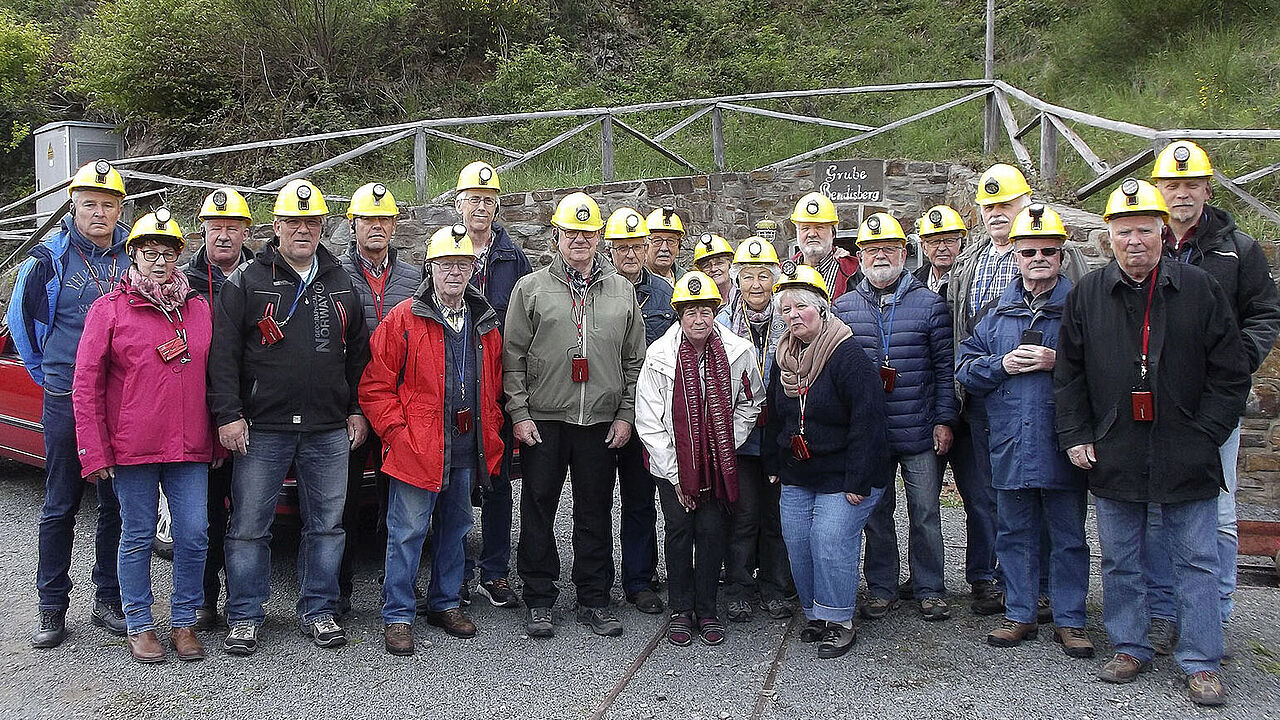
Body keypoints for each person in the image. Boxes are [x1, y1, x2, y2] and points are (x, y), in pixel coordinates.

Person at [1055, 178, 1249, 706]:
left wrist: (1207, 431)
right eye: (1123, 231)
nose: (1134, 240)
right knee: (1121, 558)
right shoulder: (1088, 295)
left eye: (1144, 229)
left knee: (1196, 558)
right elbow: (1068, 375)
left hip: (1185, 444)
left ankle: (1201, 659)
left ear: (1164, 232)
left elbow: (1231, 373)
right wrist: (1076, 435)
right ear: (1107, 238)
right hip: (1115, 443)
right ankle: (1129, 645)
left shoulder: (1200, 289)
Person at [209, 179, 371, 655]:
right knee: (249, 526)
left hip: (327, 428)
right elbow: (222, 356)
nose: (304, 229)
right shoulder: (247, 281)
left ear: (323, 227)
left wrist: (358, 408)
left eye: (313, 222)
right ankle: (244, 615)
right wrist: (228, 414)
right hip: (262, 428)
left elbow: (359, 354)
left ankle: (319, 610)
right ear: (275, 226)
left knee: (327, 525)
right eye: (294, 222)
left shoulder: (341, 280)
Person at [1143, 140, 1280, 652]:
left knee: (1218, 512)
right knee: (1157, 508)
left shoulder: (1236, 249)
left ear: (1207, 188)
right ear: (1160, 189)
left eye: (1190, 184)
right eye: (1172, 185)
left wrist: (1235, 363)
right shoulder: (1143, 238)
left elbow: (1264, 314)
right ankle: (1162, 613)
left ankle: (1214, 612)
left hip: (1213, 403)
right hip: (1153, 401)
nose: (1181, 194)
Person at [73, 209, 216, 663]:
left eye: (168, 253)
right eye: (149, 253)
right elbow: (86, 385)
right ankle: (138, 623)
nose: (159, 261)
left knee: (193, 535)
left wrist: (214, 436)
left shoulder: (197, 308)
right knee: (135, 535)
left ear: (179, 256)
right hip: (132, 447)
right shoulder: (109, 309)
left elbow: (215, 375)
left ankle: (183, 621)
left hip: (189, 444)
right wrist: (94, 452)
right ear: (131, 254)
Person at [946, 163, 1088, 618]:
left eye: (1004, 204)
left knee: (1060, 519)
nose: (995, 213)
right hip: (992, 406)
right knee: (1003, 508)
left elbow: (1094, 347)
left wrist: (1057, 361)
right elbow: (964, 344)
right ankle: (1012, 597)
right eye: (988, 206)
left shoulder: (1072, 280)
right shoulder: (971, 264)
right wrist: (989, 371)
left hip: (1057, 414)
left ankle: (1058, 605)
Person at [504, 192, 646, 638]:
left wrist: (626, 414)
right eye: (571, 232)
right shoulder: (529, 289)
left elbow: (634, 360)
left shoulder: (622, 290)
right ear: (556, 236)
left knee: (595, 509)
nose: (579, 239)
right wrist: (519, 412)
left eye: (587, 232)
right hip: (544, 419)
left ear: (599, 236)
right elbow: (513, 357)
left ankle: (594, 597)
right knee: (539, 507)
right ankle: (540, 597)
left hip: (601, 421)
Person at [359, 224, 505, 655]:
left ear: (473, 269)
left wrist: (490, 429)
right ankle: (399, 614)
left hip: (464, 447)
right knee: (407, 532)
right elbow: (375, 386)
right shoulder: (404, 317)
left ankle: (444, 602)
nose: (455, 272)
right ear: (431, 268)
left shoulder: (485, 322)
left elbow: (494, 385)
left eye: (463, 264)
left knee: (456, 528)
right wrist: (397, 434)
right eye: (446, 265)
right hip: (416, 447)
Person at [8, 160, 130, 648]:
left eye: (108, 204)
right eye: (89, 204)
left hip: (119, 400)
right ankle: (51, 606)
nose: (99, 213)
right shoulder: (47, 260)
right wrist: (56, 378)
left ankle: (108, 598)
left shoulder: (134, 255)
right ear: (73, 205)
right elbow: (22, 327)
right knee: (59, 503)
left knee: (115, 504)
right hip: (64, 397)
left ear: (121, 208)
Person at [832, 213, 957, 622]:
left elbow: (944, 370)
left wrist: (944, 420)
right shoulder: (844, 307)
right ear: (860, 256)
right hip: (870, 433)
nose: (880, 256)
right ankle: (882, 587)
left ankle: (930, 588)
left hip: (919, 429)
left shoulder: (930, 304)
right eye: (871, 250)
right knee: (874, 514)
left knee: (924, 512)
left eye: (888, 249)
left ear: (904, 253)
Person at [763, 263, 890, 659]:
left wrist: (858, 480)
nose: (792, 316)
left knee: (830, 539)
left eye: (801, 307)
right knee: (798, 540)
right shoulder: (783, 357)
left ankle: (840, 621)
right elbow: (774, 415)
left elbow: (869, 422)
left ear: (823, 308)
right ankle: (815, 613)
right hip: (800, 470)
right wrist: (772, 463)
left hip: (846, 473)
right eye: (785, 310)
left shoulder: (847, 355)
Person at [635, 271, 763, 646]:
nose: (699, 320)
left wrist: (724, 443)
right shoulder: (659, 356)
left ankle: (707, 609)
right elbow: (648, 419)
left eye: (706, 311)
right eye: (691, 312)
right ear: (679, 314)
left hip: (716, 463)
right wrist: (677, 475)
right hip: (671, 464)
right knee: (678, 532)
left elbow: (752, 401)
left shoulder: (739, 352)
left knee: (711, 532)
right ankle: (680, 608)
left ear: (715, 311)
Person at [337, 181, 422, 618]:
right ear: (353, 226)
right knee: (344, 503)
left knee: (399, 503)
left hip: (399, 405)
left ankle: (400, 593)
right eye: (368, 219)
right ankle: (339, 592)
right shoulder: (334, 274)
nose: (376, 227)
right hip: (353, 405)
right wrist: (353, 405)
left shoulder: (412, 278)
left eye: (384, 220)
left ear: (394, 227)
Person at [456, 161, 531, 610]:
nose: (481, 207)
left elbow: (523, 325)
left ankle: (496, 572)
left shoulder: (513, 258)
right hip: (456, 385)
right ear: (459, 204)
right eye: (473, 200)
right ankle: (458, 573)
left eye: (488, 201)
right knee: (459, 483)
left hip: (498, 388)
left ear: (496, 205)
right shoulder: (442, 249)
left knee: (499, 481)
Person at [183, 188, 256, 631]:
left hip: (254, 414)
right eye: (216, 228)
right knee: (206, 514)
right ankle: (205, 600)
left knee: (248, 514)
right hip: (200, 415)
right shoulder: (183, 282)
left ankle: (244, 604)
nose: (224, 235)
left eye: (232, 228)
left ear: (246, 231)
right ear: (203, 231)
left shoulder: (266, 275)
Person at [717, 236, 793, 623]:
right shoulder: (721, 324)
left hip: (779, 434)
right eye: (748, 276)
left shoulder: (791, 321)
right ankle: (739, 588)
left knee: (776, 516)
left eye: (764, 276)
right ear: (737, 280)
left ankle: (776, 587)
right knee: (743, 515)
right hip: (740, 435)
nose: (756, 285)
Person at [605, 206, 674, 614]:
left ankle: (639, 579)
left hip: (649, 415)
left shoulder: (667, 295)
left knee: (641, 499)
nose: (630, 254)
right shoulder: (596, 290)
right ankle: (595, 583)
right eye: (622, 247)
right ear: (609, 250)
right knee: (594, 501)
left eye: (637, 246)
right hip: (602, 411)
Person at [788, 192, 858, 300]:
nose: (812, 234)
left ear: (833, 233)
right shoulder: (783, 272)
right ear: (797, 233)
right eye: (805, 228)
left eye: (819, 227)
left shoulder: (854, 270)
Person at [913, 205, 966, 297]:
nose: (942, 248)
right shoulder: (913, 281)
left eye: (949, 241)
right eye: (935, 242)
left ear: (960, 244)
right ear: (924, 247)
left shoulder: (970, 280)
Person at [645, 206, 688, 287]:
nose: (664, 248)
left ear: (679, 246)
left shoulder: (686, 280)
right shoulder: (639, 281)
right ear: (645, 246)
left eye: (671, 241)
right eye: (657, 241)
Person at [691, 233, 736, 308]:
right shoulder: (698, 300)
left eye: (719, 263)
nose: (713, 269)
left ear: (730, 264)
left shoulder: (744, 296)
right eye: (707, 266)